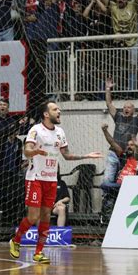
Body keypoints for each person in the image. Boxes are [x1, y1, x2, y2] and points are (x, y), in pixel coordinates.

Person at [9, 101, 102, 264]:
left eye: (59, 109)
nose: (59, 111)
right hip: (35, 178)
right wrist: (36, 151)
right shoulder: (35, 130)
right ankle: (15, 241)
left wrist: (86, 155)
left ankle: (39, 252)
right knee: (33, 216)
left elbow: (66, 155)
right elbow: (26, 150)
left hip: (51, 180)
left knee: (45, 216)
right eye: (55, 109)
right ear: (46, 114)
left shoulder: (60, 132)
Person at [103, 78, 138, 186]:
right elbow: (109, 104)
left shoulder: (136, 121)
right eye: (124, 107)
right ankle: (107, 201)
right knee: (107, 180)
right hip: (113, 153)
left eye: (129, 107)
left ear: (133, 110)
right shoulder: (118, 117)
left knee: (124, 182)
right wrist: (108, 88)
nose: (126, 109)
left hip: (127, 156)